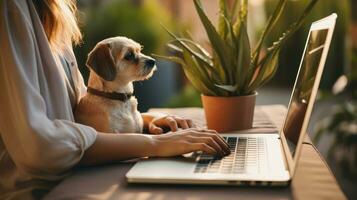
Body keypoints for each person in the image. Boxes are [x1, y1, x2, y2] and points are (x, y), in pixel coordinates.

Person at [0, 0, 230, 199]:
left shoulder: (52, 10)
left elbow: (78, 106)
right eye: (130, 57)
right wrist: (156, 145)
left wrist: (144, 121)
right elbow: (38, 147)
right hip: (38, 191)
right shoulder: (12, 10)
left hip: (78, 173)